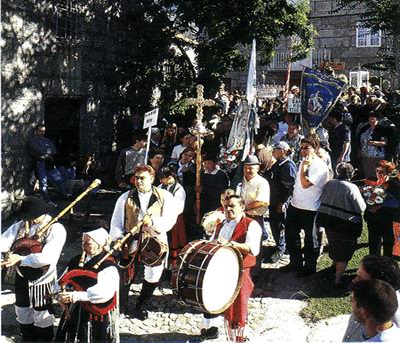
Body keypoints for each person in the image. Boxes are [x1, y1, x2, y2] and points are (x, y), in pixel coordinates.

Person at [110, 165, 178, 319]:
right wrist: (118, 237)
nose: (139, 181)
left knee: (153, 273)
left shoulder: (165, 196)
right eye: (137, 178)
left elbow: (170, 219)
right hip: (131, 240)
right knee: (126, 273)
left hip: (154, 240)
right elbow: (116, 220)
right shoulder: (125, 197)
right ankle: (122, 307)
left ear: (152, 179)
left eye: (143, 178)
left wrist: (152, 222)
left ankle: (141, 304)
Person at [196, 195, 262, 342]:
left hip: (240, 269)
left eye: (232, 206)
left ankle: (239, 336)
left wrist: (232, 244)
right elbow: (212, 242)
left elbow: (252, 249)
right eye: (226, 206)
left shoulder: (251, 224)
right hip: (219, 266)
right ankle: (210, 328)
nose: (228, 209)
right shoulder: (221, 224)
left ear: (242, 207)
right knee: (211, 296)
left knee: (238, 303)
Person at [1, 197, 66, 341]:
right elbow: (3, 241)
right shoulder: (21, 225)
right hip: (21, 275)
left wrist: (20, 259)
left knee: (42, 312)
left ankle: (44, 340)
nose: (28, 220)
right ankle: (27, 338)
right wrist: (3, 257)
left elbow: (48, 257)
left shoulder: (56, 229)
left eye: (31, 216)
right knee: (22, 309)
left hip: (43, 278)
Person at [55, 227, 119, 343]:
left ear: (99, 245)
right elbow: (61, 281)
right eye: (82, 242)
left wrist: (76, 296)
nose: (83, 246)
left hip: (95, 313)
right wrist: (60, 294)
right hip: (74, 309)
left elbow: (104, 293)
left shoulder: (108, 266)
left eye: (87, 243)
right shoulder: (75, 260)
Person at [282, 137, 329, 276]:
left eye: (306, 148)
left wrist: (304, 167)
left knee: (310, 238)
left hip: (311, 207)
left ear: (315, 149)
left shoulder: (319, 165)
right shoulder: (304, 161)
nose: (303, 151)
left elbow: (305, 184)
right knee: (291, 234)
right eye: (301, 148)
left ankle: (309, 267)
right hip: (296, 204)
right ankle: (295, 262)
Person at [317, 162, 366, 284]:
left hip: (329, 221)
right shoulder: (351, 188)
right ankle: (338, 280)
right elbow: (361, 207)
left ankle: (333, 267)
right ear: (351, 174)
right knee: (344, 252)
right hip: (345, 225)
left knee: (334, 244)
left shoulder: (329, 183)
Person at [343, 255, 400, 342]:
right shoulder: (363, 299)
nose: (354, 280)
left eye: (360, 278)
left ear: (378, 287)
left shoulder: (393, 316)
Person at [264, 142, 297, 263]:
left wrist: (283, 202)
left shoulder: (287, 166)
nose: (273, 152)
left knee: (280, 226)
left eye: (275, 149)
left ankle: (280, 249)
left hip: (280, 203)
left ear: (283, 151)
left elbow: (290, 187)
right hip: (274, 200)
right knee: (275, 224)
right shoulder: (277, 164)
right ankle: (281, 245)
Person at [363, 160, 400, 257]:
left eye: (381, 172)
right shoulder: (371, 181)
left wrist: (381, 205)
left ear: (388, 172)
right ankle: (373, 262)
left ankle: (386, 264)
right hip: (372, 218)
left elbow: (397, 202)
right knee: (374, 242)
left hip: (387, 219)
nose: (378, 174)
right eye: (376, 171)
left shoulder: (393, 184)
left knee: (388, 242)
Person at [27, 124, 67, 205]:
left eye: (43, 131)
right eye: (40, 131)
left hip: (49, 163)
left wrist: (45, 153)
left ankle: (65, 196)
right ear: (36, 131)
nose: (42, 133)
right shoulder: (32, 140)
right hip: (40, 163)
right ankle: (48, 201)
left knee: (59, 179)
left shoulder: (47, 140)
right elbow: (38, 150)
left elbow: (54, 150)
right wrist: (46, 152)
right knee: (43, 183)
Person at [158, 165, 187, 270]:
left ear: (170, 177)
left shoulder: (179, 190)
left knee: (173, 242)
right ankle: (161, 265)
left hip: (174, 220)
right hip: (161, 218)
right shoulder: (161, 187)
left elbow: (179, 208)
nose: (161, 181)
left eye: (163, 178)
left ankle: (172, 267)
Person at [358, 112, 388, 179]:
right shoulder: (365, 129)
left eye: (373, 119)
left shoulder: (381, 130)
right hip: (365, 155)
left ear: (377, 120)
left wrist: (374, 143)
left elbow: (385, 142)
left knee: (377, 172)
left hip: (377, 156)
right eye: (369, 120)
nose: (371, 121)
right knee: (367, 171)